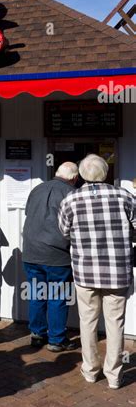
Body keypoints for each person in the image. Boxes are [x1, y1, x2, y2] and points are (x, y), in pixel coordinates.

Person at [58, 154, 135, 389]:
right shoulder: (124, 196)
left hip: (85, 270)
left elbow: (64, 232)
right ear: (106, 173)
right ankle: (113, 375)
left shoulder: (71, 199)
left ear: (81, 175)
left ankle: (91, 370)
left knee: (88, 321)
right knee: (115, 322)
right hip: (117, 270)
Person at [22, 162, 79, 351]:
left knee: (36, 294)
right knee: (58, 296)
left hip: (31, 252)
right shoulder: (71, 193)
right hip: (57, 254)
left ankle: (37, 334)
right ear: (74, 178)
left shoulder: (37, 189)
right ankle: (56, 339)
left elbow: (29, 213)